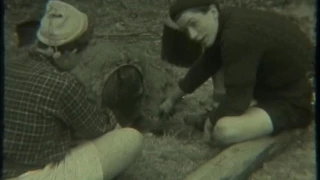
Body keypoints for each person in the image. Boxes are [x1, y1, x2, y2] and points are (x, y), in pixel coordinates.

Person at [4, 1, 144, 180]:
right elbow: (98, 128)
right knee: (130, 139)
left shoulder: (10, 62)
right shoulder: (62, 83)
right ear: (70, 53)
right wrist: (113, 118)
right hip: (29, 175)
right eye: (82, 52)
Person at [159, 0, 314, 145]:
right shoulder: (226, 19)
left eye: (193, 24)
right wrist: (172, 100)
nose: (192, 35)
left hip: (296, 101)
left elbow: (237, 100)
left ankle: (210, 120)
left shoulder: (237, 37)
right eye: (186, 30)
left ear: (212, 11)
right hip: (276, 88)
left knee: (224, 130)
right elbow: (205, 65)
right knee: (224, 105)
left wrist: (211, 121)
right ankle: (226, 117)